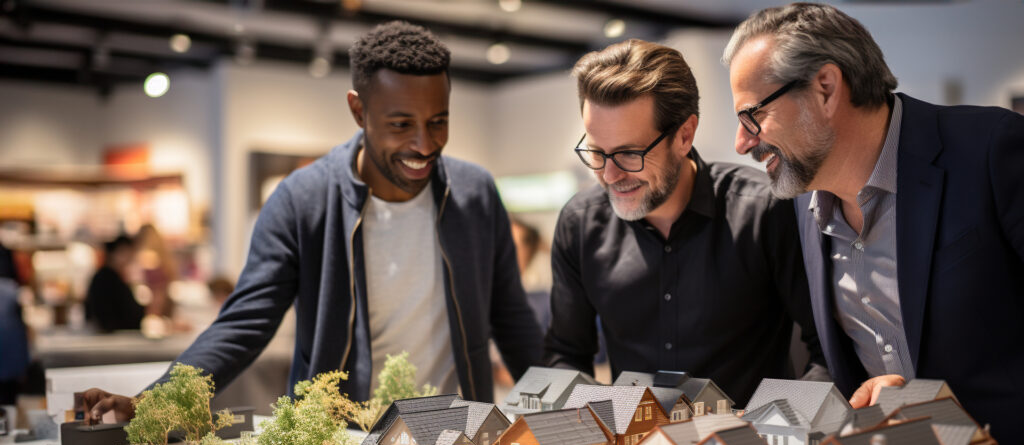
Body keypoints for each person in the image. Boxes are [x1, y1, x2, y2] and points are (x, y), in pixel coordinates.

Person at [82, 21, 542, 423]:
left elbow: (513, 321)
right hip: (339, 443)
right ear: (358, 110)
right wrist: (152, 404)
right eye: (401, 125)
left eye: (438, 121)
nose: (424, 144)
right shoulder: (303, 199)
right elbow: (244, 324)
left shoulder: (474, 193)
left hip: (460, 437)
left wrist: (577, 411)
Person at [723, 2, 1024, 445]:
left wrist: (931, 401)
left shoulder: (992, 149)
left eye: (753, 114)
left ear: (825, 88)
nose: (741, 141)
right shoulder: (803, 203)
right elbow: (841, 369)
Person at [543, 39, 828, 407]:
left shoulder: (765, 211)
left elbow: (827, 352)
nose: (609, 175)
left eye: (630, 153)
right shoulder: (579, 224)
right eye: (596, 152)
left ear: (684, 135)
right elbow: (565, 353)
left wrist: (781, 428)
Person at [84, 235, 146, 333]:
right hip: (113, 337)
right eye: (124, 252)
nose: (128, 257)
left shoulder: (113, 276)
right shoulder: (106, 277)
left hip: (115, 335)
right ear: (114, 253)